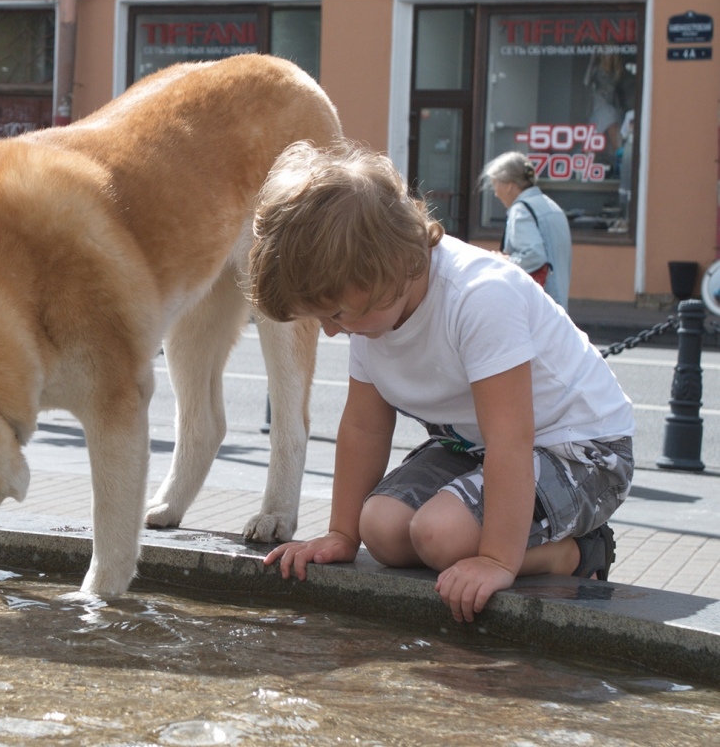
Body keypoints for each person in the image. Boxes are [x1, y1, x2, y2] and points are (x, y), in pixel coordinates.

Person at [250, 141, 635, 623]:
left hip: (582, 451)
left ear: (386, 268)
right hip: (475, 446)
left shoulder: (478, 297)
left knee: (441, 536)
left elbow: (511, 439)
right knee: (383, 528)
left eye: (335, 314)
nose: (331, 330)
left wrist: (496, 559)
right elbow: (364, 428)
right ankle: (500, 541)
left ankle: (575, 553)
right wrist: (342, 535)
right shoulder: (372, 307)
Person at [480, 151, 573, 311]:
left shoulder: (521, 210)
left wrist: (502, 261)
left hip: (535, 309)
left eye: (495, 184)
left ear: (509, 185)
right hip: (556, 307)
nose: (495, 193)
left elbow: (534, 256)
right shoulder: (550, 206)